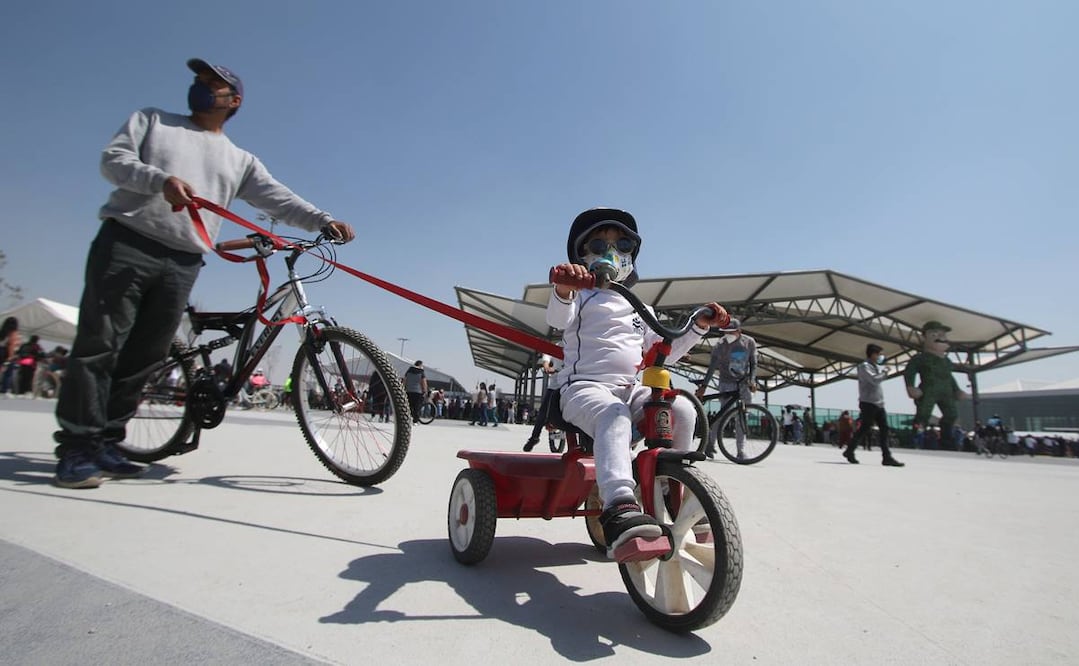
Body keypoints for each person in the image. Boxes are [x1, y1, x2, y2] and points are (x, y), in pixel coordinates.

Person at [51, 58, 356, 489]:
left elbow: (277, 198)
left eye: (212, 84)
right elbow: (112, 161)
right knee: (100, 344)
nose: (201, 87)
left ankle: (108, 441)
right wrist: (159, 181)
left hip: (183, 261)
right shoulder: (153, 121)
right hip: (128, 244)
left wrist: (322, 220)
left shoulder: (239, 160)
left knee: (145, 355)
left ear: (234, 100)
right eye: (199, 81)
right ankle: (77, 448)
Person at [546, 207, 728, 558]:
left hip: (629, 390)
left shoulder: (639, 307)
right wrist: (564, 288)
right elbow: (557, 319)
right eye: (599, 245)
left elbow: (663, 353)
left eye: (623, 245)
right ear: (582, 255)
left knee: (682, 410)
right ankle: (618, 506)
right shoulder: (580, 296)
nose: (612, 253)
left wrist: (698, 327)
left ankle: (673, 490)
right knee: (613, 415)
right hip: (583, 388)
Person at [695, 317, 757, 459]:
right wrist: (704, 386)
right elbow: (712, 367)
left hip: (743, 383)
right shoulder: (720, 345)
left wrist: (752, 380)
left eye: (731, 332)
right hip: (726, 382)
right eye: (725, 332)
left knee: (742, 416)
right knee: (723, 414)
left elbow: (753, 363)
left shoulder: (749, 342)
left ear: (739, 331)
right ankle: (710, 442)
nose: (727, 334)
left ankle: (740, 450)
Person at [843, 343, 904, 467]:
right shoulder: (864, 366)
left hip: (878, 403)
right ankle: (850, 450)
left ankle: (886, 457)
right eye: (879, 354)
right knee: (865, 428)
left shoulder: (875, 366)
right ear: (873, 354)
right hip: (868, 403)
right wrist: (885, 372)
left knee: (884, 429)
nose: (881, 357)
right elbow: (874, 380)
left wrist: (883, 372)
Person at [1, 316, 22, 395]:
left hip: (1, 350)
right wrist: (11, 356)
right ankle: (4, 389)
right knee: (8, 372)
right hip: (6, 353)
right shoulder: (13, 332)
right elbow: (11, 345)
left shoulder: (2, 331)